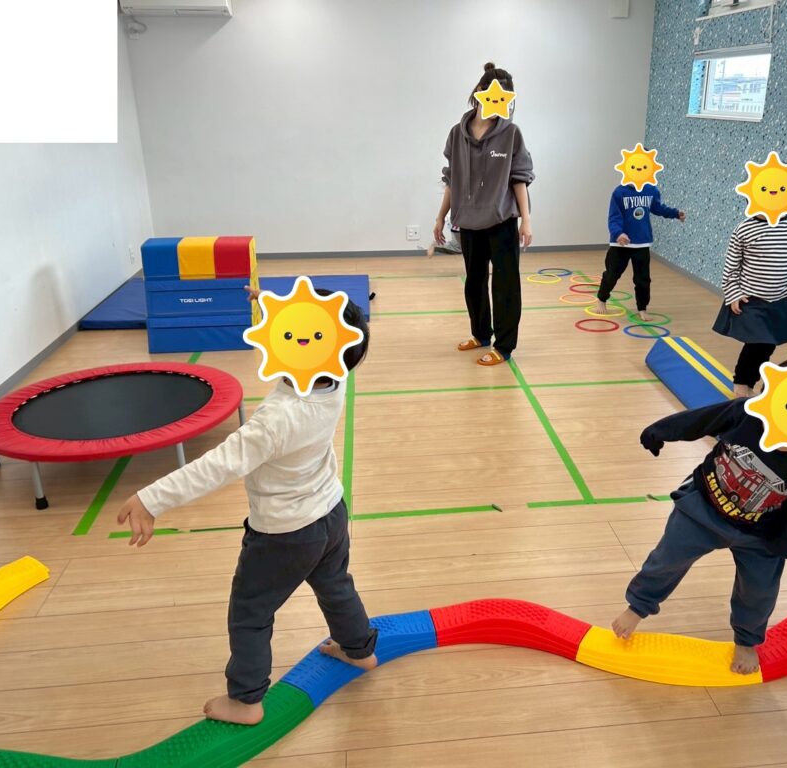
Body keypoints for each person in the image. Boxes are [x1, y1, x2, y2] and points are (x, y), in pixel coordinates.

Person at [116, 296, 377, 726]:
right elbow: (317, 332)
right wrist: (271, 306)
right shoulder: (337, 378)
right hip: (331, 512)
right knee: (335, 585)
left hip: (286, 533)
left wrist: (152, 498)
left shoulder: (276, 420)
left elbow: (216, 466)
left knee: (250, 612)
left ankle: (246, 700)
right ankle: (359, 649)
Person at [611, 355, 787, 674]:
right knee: (667, 560)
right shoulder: (747, 413)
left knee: (759, 589)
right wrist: (660, 430)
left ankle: (746, 640)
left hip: (763, 531)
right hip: (702, 507)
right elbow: (702, 419)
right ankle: (637, 608)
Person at [434, 61, 534, 367]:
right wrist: (440, 217)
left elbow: (519, 178)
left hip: (502, 221)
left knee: (505, 285)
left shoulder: (511, 133)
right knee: (474, 281)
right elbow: (452, 179)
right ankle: (480, 334)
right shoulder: (457, 133)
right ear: (479, 92)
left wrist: (526, 220)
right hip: (468, 221)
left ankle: (504, 346)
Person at [713, 214, 787, 397]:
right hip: (751, 299)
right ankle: (742, 384)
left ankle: (747, 382)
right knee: (758, 343)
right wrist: (733, 292)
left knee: (767, 345)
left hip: (780, 299)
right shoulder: (745, 229)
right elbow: (731, 266)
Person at [595, 176, 685, 319]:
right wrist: (618, 233)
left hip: (642, 242)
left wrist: (675, 213)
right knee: (612, 274)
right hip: (621, 243)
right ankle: (601, 299)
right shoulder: (619, 192)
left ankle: (642, 308)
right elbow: (614, 217)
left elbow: (658, 208)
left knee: (643, 279)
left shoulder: (651, 190)